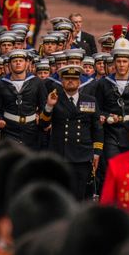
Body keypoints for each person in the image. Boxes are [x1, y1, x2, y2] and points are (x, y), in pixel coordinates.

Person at [40, 65, 103, 200]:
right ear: (62, 81)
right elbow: (43, 124)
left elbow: (97, 127)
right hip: (60, 154)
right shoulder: (55, 98)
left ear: (79, 82)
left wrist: (97, 152)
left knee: (79, 195)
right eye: (67, 78)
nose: (70, 81)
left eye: (74, 79)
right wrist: (49, 106)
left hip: (83, 155)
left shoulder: (90, 100)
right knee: (60, 195)